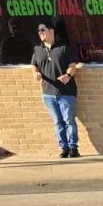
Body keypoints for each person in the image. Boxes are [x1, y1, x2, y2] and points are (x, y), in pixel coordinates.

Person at [31, 23, 83, 158]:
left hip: (66, 92)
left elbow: (73, 65)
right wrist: (35, 73)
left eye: (43, 30)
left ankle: (73, 148)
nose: (40, 33)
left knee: (69, 121)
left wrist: (68, 75)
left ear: (51, 31)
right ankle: (64, 148)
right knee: (57, 122)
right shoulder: (37, 50)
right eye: (38, 31)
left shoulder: (63, 48)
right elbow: (34, 65)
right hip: (48, 94)